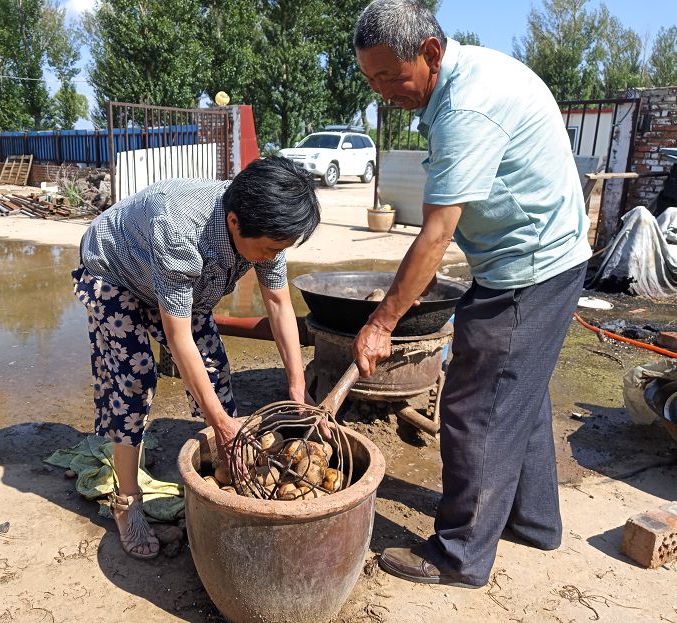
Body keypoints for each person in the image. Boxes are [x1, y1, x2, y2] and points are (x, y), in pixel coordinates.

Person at [352, 0, 592, 588]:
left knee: (473, 408)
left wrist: (382, 322)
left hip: (527, 270)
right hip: (545, 258)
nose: (383, 91)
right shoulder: (468, 76)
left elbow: (435, 233)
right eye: (371, 80)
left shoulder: (465, 106)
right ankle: (534, 521)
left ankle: (459, 555)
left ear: (430, 52)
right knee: (520, 395)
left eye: (390, 76)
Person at [72, 157, 320, 559]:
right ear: (235, 222)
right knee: (134, 381)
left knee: (216, 373)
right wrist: (220, 422)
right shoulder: (181, 227)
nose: (273, 256)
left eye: (281, 249)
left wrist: (297, 386)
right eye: (271, 249)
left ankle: (228, 458)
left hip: (174, 281)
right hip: (115, 271)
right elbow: (178, 333)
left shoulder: (265, 227)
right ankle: (127, 501)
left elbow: (278, 302)